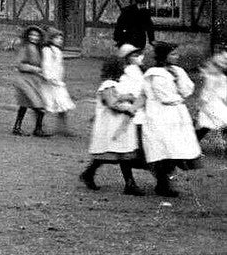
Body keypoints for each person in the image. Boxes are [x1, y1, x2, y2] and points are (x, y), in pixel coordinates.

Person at [141, 41, 202, 197]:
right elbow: (164, 96)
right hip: (160, 114)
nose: (177, 56)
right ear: (164, 56)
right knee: (164, 147)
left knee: (176, 147)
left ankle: (165, 181)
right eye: (173, 54)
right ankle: (162, 183)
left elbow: (188, 89)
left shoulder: (178, 71)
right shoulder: (155, 74)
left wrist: (178, 82)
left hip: (177, 114)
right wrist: (177, 94)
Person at [80, 57, 145, 195]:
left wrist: (127, 97)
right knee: (116, 152)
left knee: (120, 153)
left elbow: (116, 98)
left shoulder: (113, 84)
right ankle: (128, 183)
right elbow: (111, 103)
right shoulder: (107, 84)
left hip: (116, 124)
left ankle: (91, 174)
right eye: (122, 68)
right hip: (110, 124)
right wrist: (127, 107)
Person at [11, 26, 49, 137]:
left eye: (36, 35)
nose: (34, 37)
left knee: (26, 104)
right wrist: (34, 69)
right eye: (32, 35)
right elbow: (19, 64)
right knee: (36, 104)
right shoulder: (25, 48)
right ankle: (34, 128)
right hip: (24, 79)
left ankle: (28, 128)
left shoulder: (39, 49)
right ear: (28, 36)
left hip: (35, 81)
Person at [40, 28, 76, 135]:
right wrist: (49, 77)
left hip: (58, 83)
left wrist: (60, 78)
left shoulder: (58, 51)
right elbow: (46, 65)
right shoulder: (47, 50)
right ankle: (40, 125)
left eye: (61, 38)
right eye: (57, 38)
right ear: (51, 39)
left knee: (63, 105)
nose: (60, 40)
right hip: (49, 83)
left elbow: (59, 67)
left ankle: (62, 128)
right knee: (47, 104)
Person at [195, 49, 227, 144]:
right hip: (211, 104)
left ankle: (193, 141)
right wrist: (200, 106)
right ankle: (192, 143)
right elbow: (206, 93)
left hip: (220, 103)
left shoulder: (223, 77)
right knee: (206, 124)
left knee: (209, 124)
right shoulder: (212, 78)